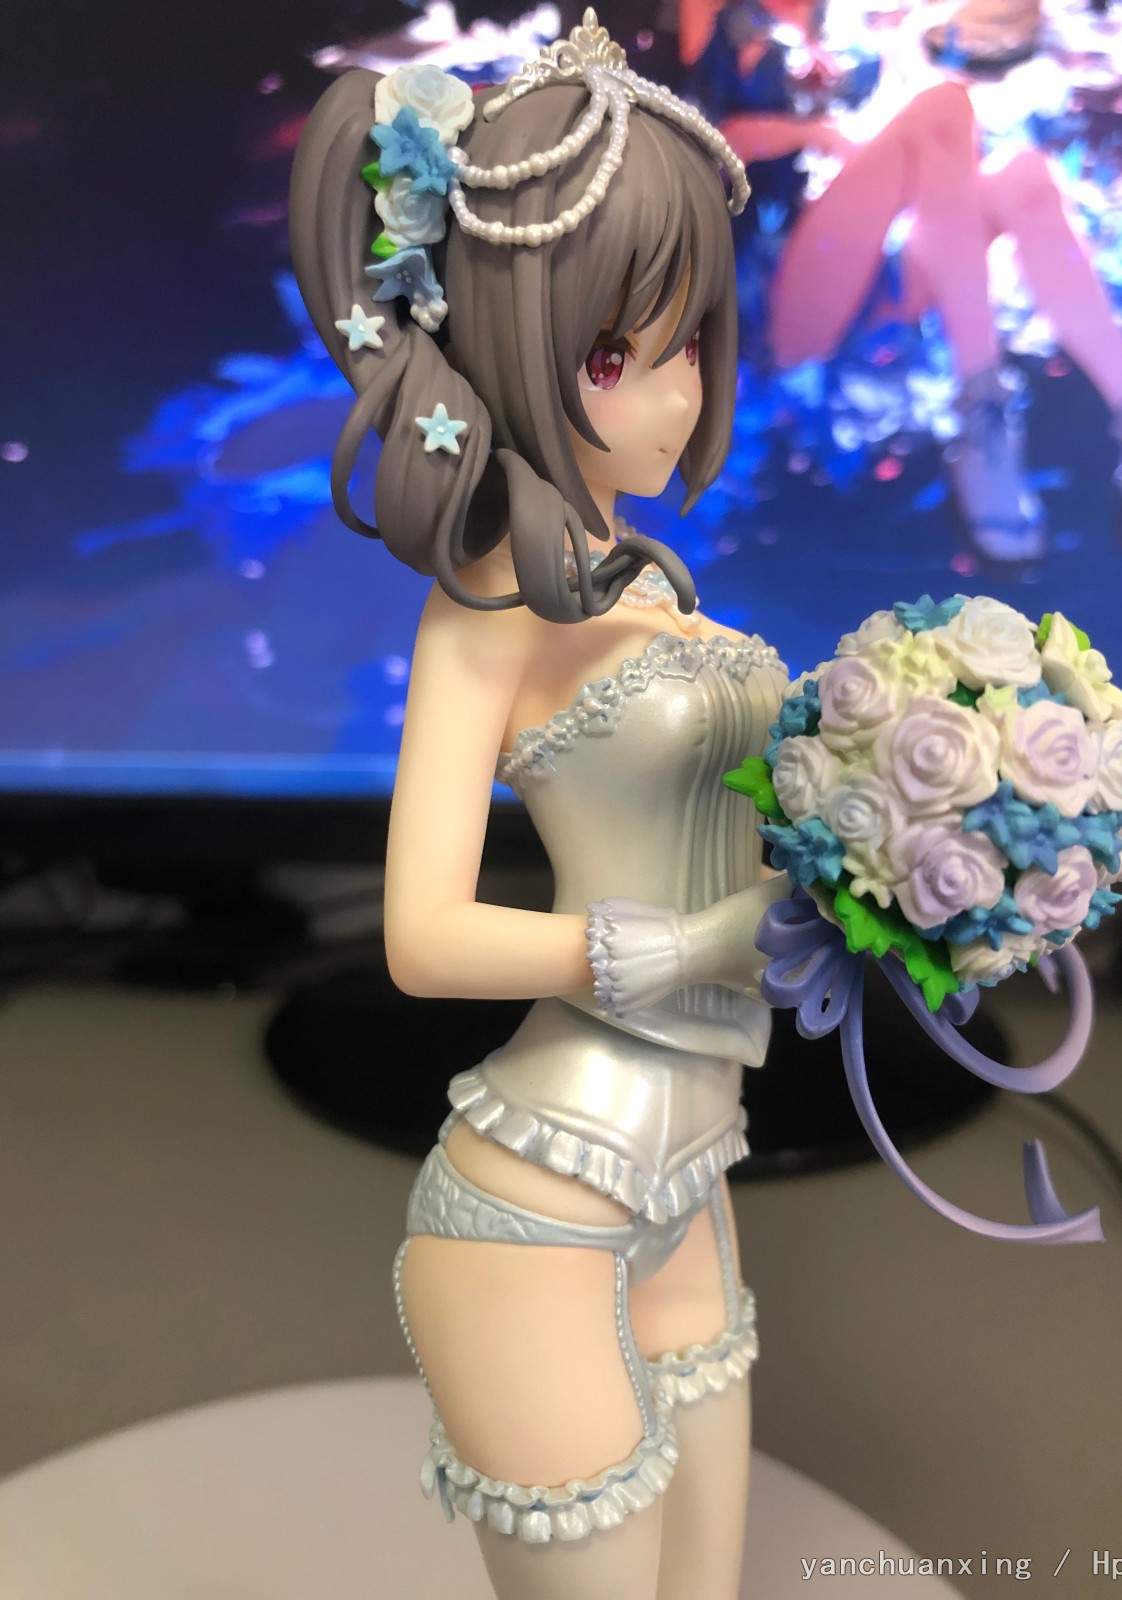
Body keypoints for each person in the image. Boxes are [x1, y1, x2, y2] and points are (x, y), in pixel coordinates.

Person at [289, 14, 790, 1596]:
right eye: (613, 356)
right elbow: (424, 937)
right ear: (515, 346)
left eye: (690, 343)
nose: (667, 397)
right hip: (537, 1204)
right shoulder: (485, 611)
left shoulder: (652, 586)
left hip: (693, 1179)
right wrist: (667, 949)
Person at [685, 0, 1122, 576]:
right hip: (785, 298)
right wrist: (822, 135)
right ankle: (983, 405)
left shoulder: (860, 19)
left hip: (882, 280)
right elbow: (693, 134)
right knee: (943, 108)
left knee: (1023, 178)